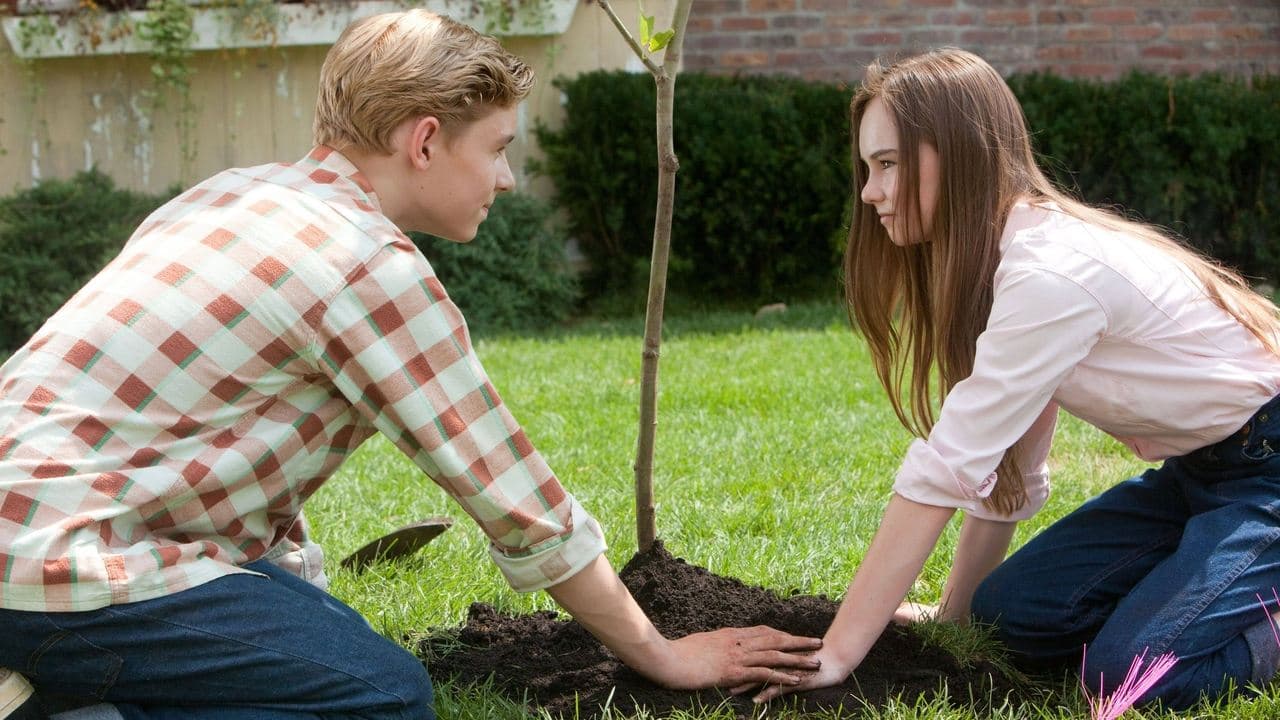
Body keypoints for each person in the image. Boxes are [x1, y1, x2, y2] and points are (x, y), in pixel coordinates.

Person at [0, 10, 823, 719]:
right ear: (425, 140)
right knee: (381, 694)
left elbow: (236, 453)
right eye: (498, 147)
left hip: (38, 539)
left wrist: (300, 597)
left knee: (316, 632)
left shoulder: (231, 194)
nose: (505, 177)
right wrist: (665, 655)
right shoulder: (368, 267)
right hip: (58, 572)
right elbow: (519, 504)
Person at [754, 47, 1280, 710]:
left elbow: (944, 471)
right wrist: (954, 613)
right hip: (1198, 475)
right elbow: (1008, 461)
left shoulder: (1048, 275)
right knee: (1006, 611)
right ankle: (1202, 583)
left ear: (960, 151)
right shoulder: (1008, 265)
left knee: (1126, 678)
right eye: (867, 168)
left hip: (1269, 468)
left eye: (887, 164)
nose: (869, 191)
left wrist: (838, 653)